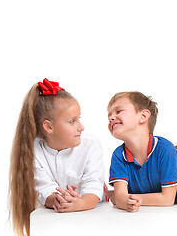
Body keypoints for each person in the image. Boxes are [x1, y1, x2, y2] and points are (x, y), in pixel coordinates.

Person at [9, 78, 105, 236]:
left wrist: (79, 203)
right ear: (49, 127)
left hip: (91, 221)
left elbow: (93, 186)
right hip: (53, 223)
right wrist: (60, 201)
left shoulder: (90, 145)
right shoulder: (34, 150)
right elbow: (44, 190)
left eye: (79, 119)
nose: (81, 127)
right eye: (72, 121)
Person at [107, 91, 177, 212]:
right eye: (109, 115)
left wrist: (125, 199)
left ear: (143, 116)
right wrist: (120, 198)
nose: (111, 117)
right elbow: (120, 197)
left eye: (118, 111)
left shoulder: (165, 149)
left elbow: (167, 199)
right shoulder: (119, 155)